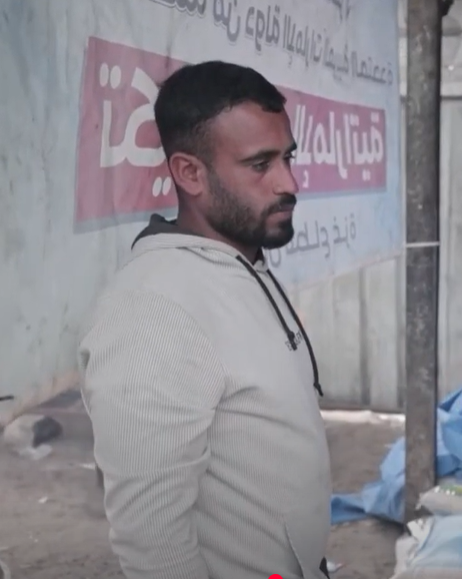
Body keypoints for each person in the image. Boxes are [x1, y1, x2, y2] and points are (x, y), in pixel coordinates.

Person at [78, 61, 331, 579]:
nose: (289, 182)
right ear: (189, 173)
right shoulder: (154, 310)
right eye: (260, 164)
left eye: (288, 157)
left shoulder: (238, 264)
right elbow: (152, 542)